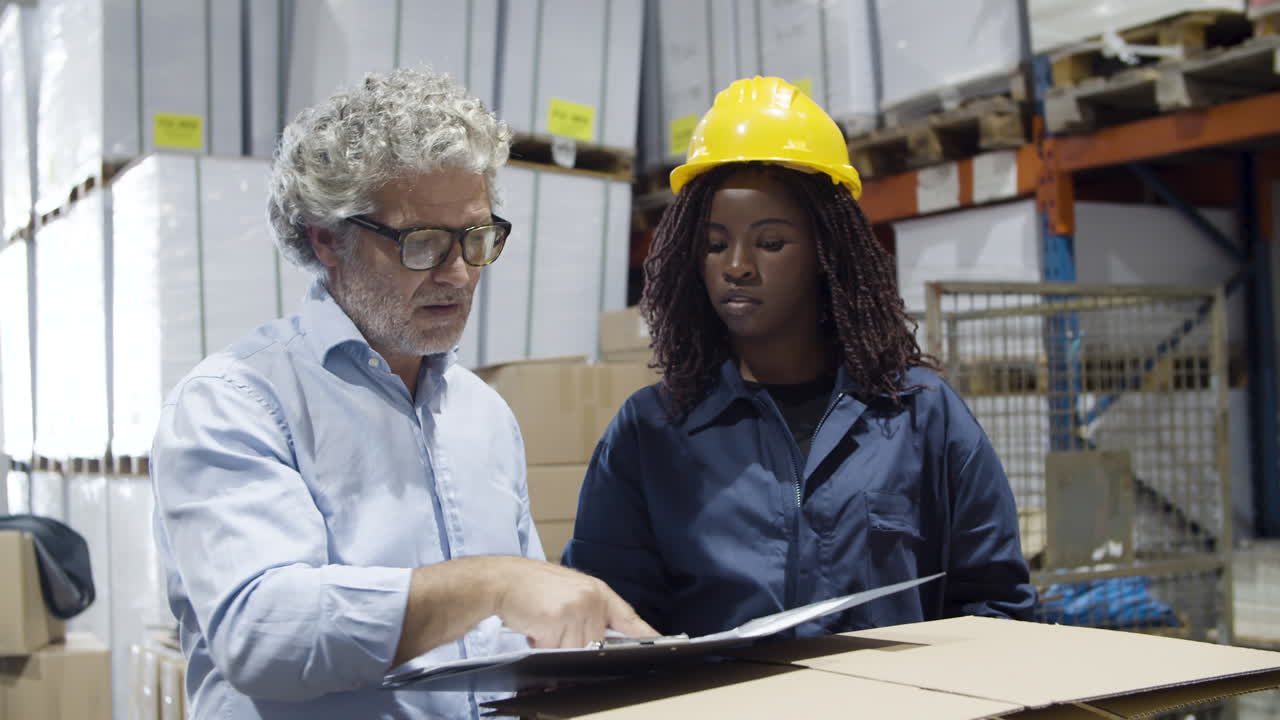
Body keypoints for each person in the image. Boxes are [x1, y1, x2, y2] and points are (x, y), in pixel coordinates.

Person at [150, 68, 653, 720]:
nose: (458, 273)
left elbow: (517, 631)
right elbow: (262, 634)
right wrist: (491, 584)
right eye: (422, 243)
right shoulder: (234, 404)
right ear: (327, 238)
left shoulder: (483, 415)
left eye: (476, 238)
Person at [562, 76, 1036, 638]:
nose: (736, 265)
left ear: (825, 254)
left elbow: (999, 609)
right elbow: (606, 627)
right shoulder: (649, 435)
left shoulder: (921, 416)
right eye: (715, 244)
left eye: (769, 243)